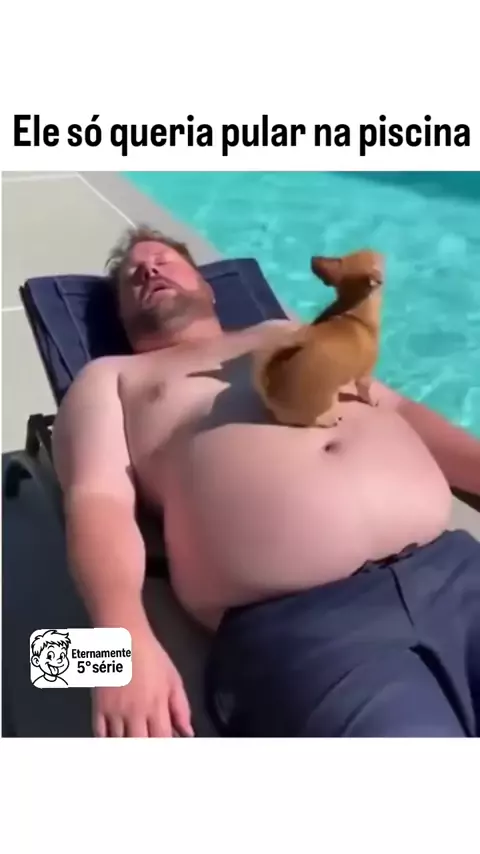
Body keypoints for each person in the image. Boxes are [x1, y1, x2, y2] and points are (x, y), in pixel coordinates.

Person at [52, 225, 480, 738]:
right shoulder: (111, 377)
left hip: (457, 570)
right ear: (121, 315)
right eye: (132, 276)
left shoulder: (283, 330)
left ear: (209, 287)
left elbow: (398, 408)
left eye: (164, 259)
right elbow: (97, 502)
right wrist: (116, 651)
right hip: (307, 631)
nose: (149, 270)